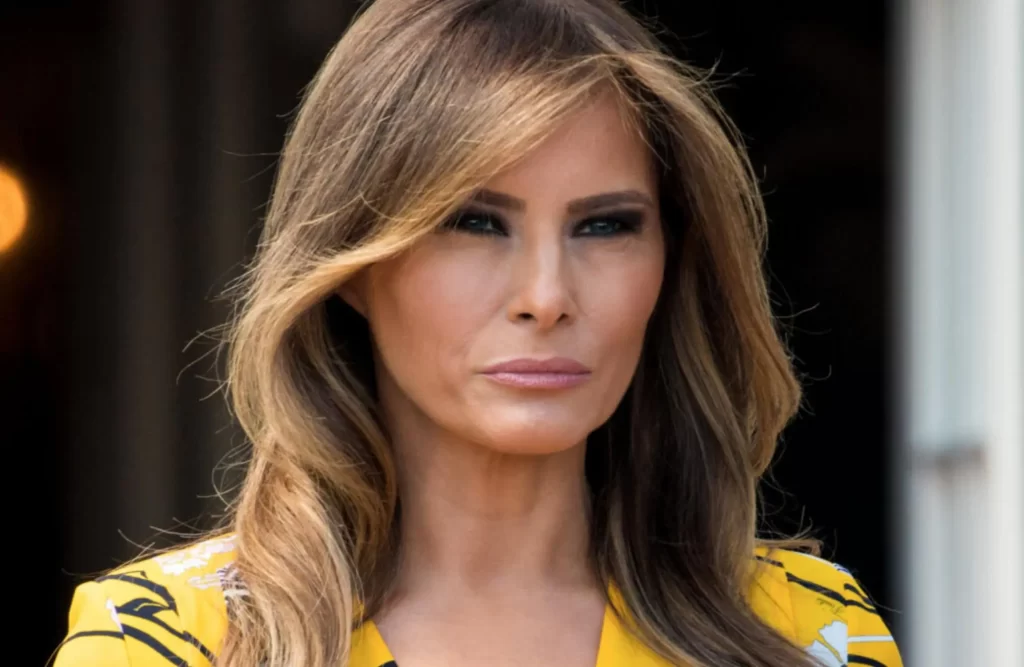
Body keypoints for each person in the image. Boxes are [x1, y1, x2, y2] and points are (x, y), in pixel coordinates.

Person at [53, 1, 903, 666]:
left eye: (605, 225)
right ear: (352, 264)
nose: (546, 296)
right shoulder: (166, 641)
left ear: (669, 264)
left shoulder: (807, 632)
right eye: (474, 222)